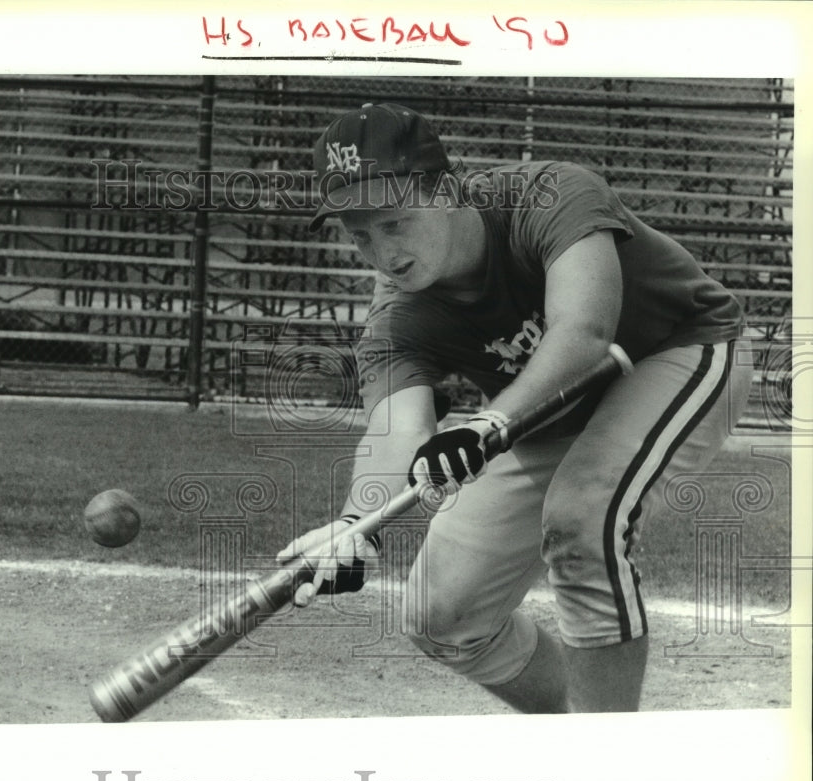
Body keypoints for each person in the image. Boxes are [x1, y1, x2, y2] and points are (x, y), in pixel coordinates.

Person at [276, 102, 751, 713]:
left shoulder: (548, 195)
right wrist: (351, 525)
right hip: (547, 410)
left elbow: (584, 331)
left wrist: (489, 422)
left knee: (582, 516)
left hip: (679, 350)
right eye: (359, 234)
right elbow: (398, 427)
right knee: (441, 614)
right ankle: (580, 729)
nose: (382, 252)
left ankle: (608, 768)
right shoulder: (398, 316)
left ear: (446, 189)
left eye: (394, 222)